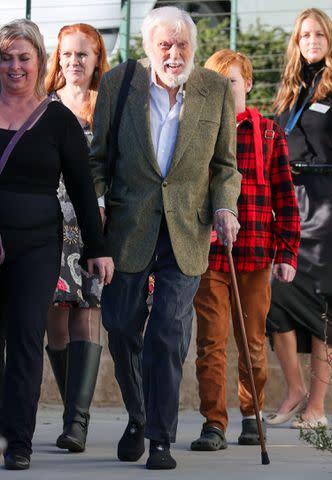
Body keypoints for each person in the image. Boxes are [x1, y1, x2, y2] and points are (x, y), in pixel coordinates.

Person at [89, 6, 241, 470]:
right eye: (165, 46)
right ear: (149, 47)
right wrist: (95, 204)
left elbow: (226, 166)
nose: (175, 55)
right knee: (119, 326)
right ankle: (138, 416)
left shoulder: (213, 89)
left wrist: (224, 205)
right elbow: (97, 161)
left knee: (168, 333)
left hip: (187, 229)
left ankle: (159, 438)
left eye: (183, 46)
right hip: (128, 228)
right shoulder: (118, 85)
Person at [0, 19, 113, 470]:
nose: (14, 66)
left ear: (39, 61)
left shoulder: (58, 119)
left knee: (27, 338)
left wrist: (97, 248)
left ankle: (19, 441)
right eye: (6, 57)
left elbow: (84, 190)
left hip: (38, 244)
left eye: (23, 57)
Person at [190, 49, 300, 451]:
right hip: (210, 256)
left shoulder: (269, 133)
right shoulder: (197, 132)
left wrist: (287, 252)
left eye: (231, 82)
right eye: (216, 84)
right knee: (211, 342)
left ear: (248, 84)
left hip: (255, 254)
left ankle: (252, 413)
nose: (224, 90)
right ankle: (213, 423)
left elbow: (286, 197)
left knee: (252, 341)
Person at [44, 23, 109, 453]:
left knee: (87, 311)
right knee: (55, 321)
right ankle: (74, 415)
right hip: (48, 226)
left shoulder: (106, 110)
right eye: (67, 54)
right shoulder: (42, 107)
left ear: (96, 59)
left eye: (82, 55)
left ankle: (77, 424)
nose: (73, 62)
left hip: (91, 226)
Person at [266, 8, 332, 429]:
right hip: (293, 205)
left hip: (328, 208)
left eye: (319, 34)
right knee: (276, 297)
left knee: (323, 307)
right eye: (305, 34)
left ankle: (318, 407)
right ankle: (294, 390)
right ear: (296, 41)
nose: (311, 40)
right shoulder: (289, 95)